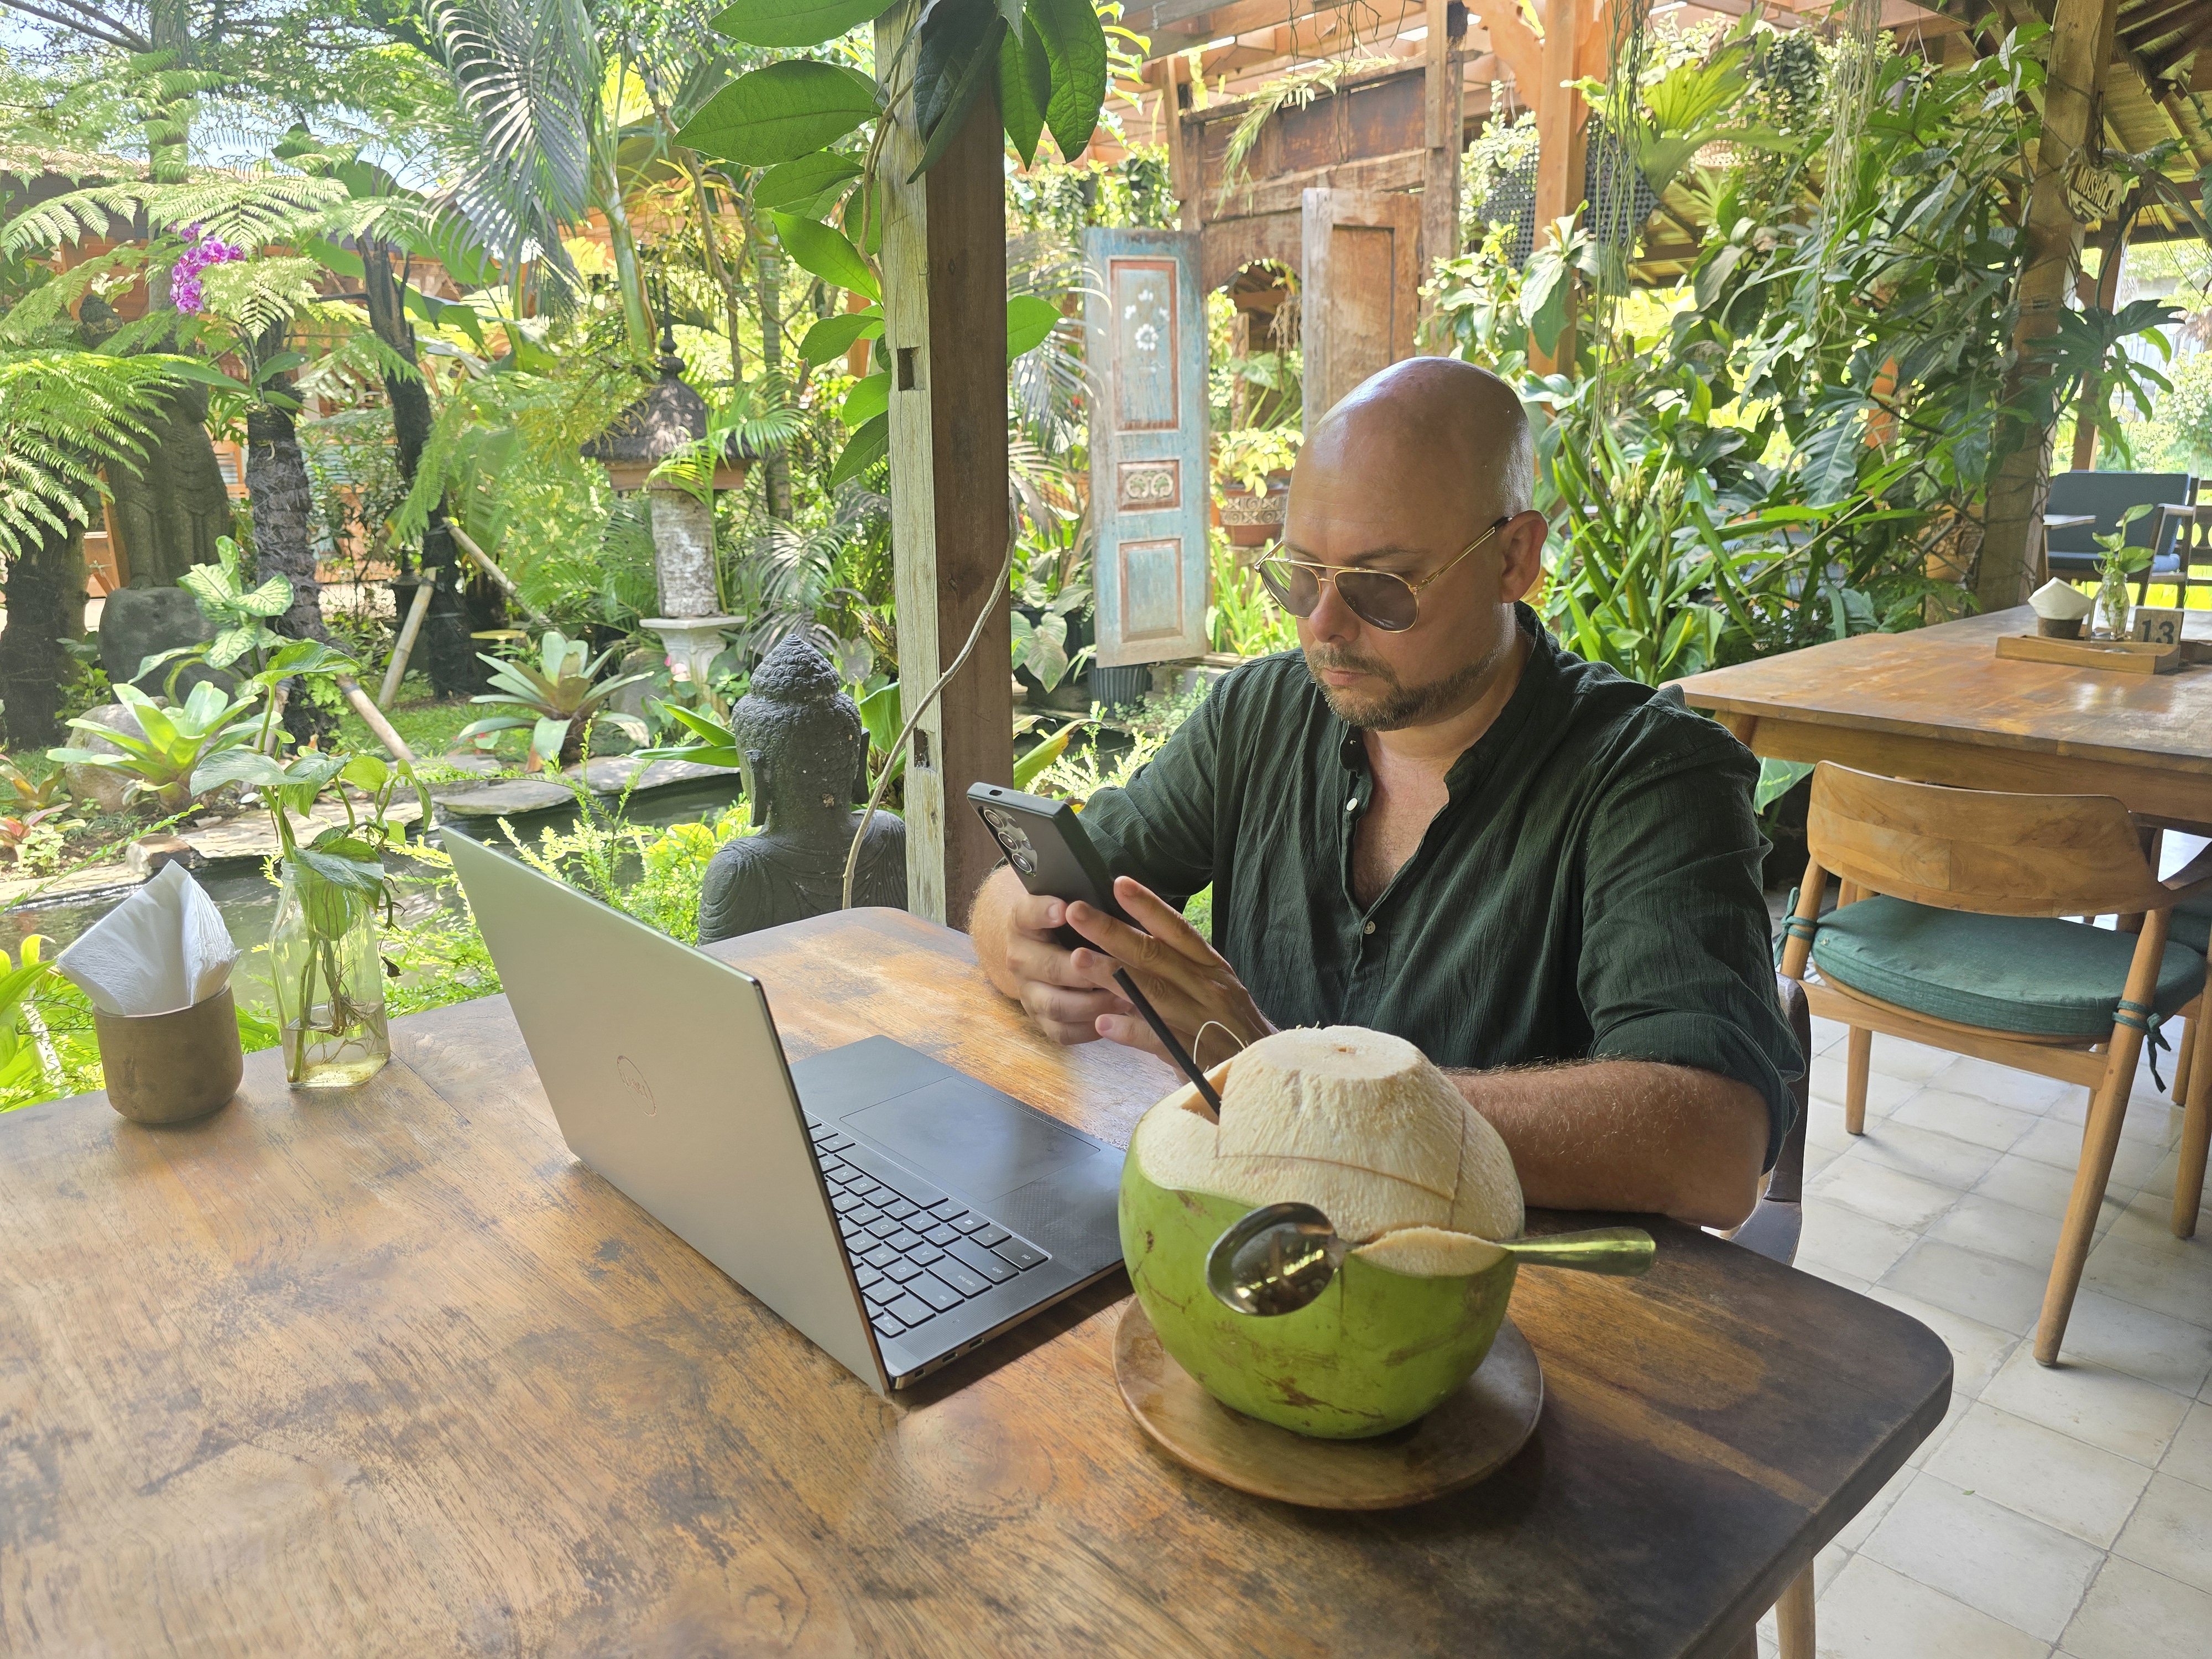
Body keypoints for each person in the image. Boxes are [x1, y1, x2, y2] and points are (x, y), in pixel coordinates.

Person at [970, 358, 1798, 1231]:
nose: (1323, 625)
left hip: (1500, 1302)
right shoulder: (1262, 716)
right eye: (1300, 576)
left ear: (1514, 558)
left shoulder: (1649, 778)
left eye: (1380, 587)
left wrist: (1284, 1082)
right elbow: (1039, 884)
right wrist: (1018, 940)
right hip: (1250, 1246)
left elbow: (1713, 1143)